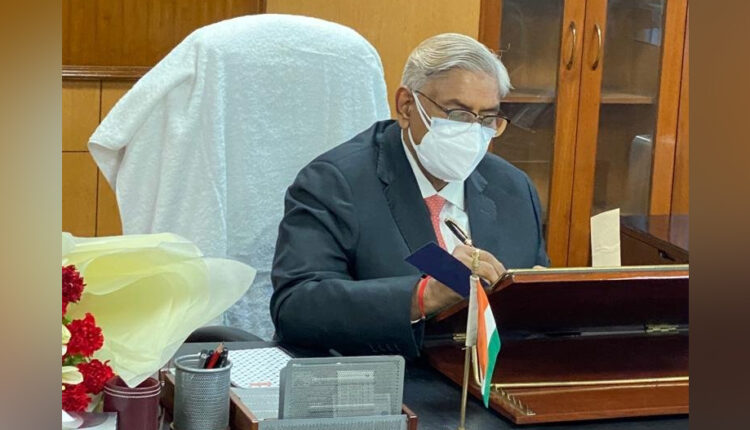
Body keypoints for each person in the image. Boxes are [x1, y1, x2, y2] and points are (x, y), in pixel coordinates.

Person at [270, 33, 549, 358]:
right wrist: (423, 296)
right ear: (406, 106)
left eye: (488, 119)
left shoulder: (514, 188)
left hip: (492, 376)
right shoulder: (334, 183)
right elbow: (296, 307)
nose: (473, 131)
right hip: (388, 378)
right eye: (457, 114)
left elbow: (537, 316)